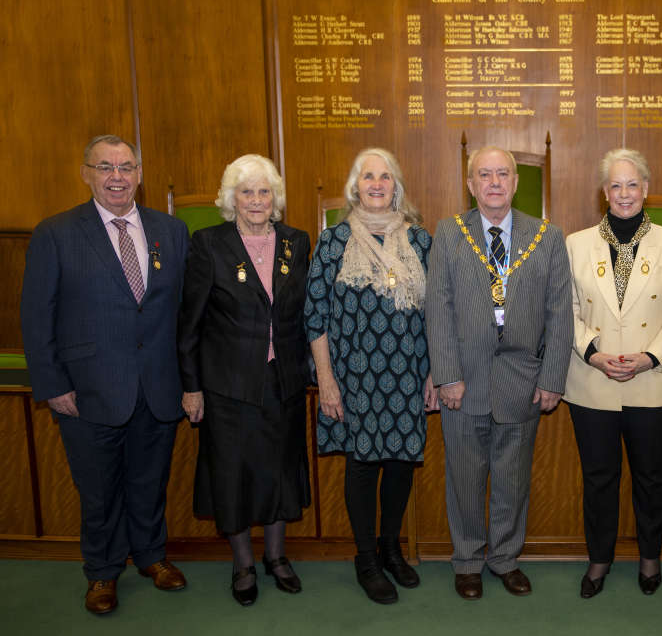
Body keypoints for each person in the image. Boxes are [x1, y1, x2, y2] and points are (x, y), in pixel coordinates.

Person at [20, 134, 189, 615]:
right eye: (106, 167)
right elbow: (36, 316)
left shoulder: (170, 232)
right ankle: (101, 572)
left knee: (149, 482)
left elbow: (183, 312)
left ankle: (153, 558)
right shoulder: (56, 233)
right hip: (87, 391)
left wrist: (187, 381)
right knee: (97, 490)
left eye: (126, 166)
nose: (117, 176)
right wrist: (52, 386)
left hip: (157, 386)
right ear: (87, 173)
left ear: (139, 174)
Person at [426, 145, 573, 600]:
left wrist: (551, 378)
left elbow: (559, 313)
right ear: (470, 185)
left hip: (522, 381)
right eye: (484, 175)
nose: (494, 182)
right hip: (463, 381)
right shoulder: (449, 233)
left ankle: (505, 559)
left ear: (515, 182)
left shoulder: (547, 236)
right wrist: (446, 374)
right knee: (465, 477)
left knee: (512, 477)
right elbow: (438, 308)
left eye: (502, 174)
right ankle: (467, 560)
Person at [178, 154, 312, 607]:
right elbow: (189, 323)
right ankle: (243, 564)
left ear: (275, 198)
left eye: (264, 191)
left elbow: (303, 315)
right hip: (227, 386)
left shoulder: (297, 242)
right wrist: (191, 386)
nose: (256, 200)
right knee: (232, 475)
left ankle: (276, 558)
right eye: (246, 191)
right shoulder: (208, 245)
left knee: (279, 471)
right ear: (230, 198)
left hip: (283, 381)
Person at [305, 148, 436, 605]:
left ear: (395, 186)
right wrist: (326, 379)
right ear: (355, 187)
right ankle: (365, 558)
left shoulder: (421, 241)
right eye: (367, 177)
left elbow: (437, 315)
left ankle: (390, 547)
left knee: (400, 463)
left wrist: (433, 374)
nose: (376, 184)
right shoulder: (333, 241)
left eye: (384, 177)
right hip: (353, 377)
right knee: (362, 465)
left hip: (409, 375)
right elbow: (314, 315)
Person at [563, 149, 662, 598]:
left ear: (645, 190)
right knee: (599, 478)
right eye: (616, 186)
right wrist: (594, 353)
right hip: (592, 379)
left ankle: (649, 557)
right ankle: (599, 560)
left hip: (653, 379)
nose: (624, 194)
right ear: (605, 192)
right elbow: (565, 312)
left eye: (633, 185)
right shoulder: (576, 244)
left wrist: (649, 358)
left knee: (651, 476)